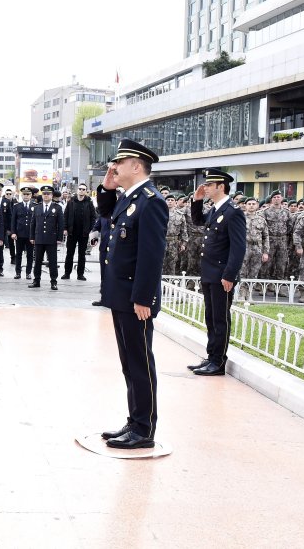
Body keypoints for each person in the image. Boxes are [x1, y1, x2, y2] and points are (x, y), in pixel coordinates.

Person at [95, 139, 168, 449]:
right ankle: (134, 420)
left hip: (135, 298)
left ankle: (144, 429)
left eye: (120, 163)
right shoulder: (130, 197)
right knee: (129, 362)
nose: (114, 167)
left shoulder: (151, 201)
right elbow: (106, 214)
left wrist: (143, 298)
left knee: (140, 362)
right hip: (121, 294)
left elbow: (151, 255)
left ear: (137, 166)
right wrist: (107, 188)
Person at [187, 168, 246, 377]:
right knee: (211, 318)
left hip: (222, 276)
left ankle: (218, 361)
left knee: (220, 319)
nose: (206, 188)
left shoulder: (233, 211)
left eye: (210, 185)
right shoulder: (215, 209)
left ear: (221, 187)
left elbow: (238, 248)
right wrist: (196, 201)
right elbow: (197, 220)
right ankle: (211, 356)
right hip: (209, 273)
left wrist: (229, 275)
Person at [29, 186, 65, 290]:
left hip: (51, 239)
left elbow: (61, 224)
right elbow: (33, 223)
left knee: (53, 262)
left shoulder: (57, 208)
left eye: (48, 194)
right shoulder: (37, 207)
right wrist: (32, 236)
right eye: (44, 193)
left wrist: (59, 238)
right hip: (39, 238)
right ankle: (36, 280)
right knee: (38, 261)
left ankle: (53, 281)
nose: (46, 195)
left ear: (52, 195)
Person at [62, 183, 97, 281]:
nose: (81, 191)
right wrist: (65, 228)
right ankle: (67, 273)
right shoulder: (71, 201)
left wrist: (90, 229)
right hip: (72, 232)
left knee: (82, 255)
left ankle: (80, 274)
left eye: (83, 189)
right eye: (80, 189)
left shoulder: (89, 202)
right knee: (70, 253)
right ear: (77, 190)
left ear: (86, 191)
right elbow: (65, 215)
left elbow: (93, 217)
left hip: (84, 233)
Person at [238, 196, 269, 301]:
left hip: (257, 248)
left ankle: (249, 293)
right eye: (249, 204)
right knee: (242, 270)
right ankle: (242, 293)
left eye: (253, 204)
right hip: (244, 246)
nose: (251, 206)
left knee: (254, 271)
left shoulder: (261, 220)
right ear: (245, 206)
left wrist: (265, 252)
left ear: (257, 206)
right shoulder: (240, 218)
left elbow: (266, 237)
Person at [261, 190, 292, 295]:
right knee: (267, 265)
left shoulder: (287, 212)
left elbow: (290, 226)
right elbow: (263, 228)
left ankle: (278, 289)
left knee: (281, 265)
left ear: (281, 199)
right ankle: (264, 287)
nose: (276, 199)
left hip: (282, 241)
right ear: (271, 199)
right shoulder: (265, 212)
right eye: (274, 197)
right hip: (270, 240)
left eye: (278, 197)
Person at [10, 187, 35, 280]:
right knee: (19, 254)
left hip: (30, 235)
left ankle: (28, 273)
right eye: (24, 194)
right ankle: (18, 272)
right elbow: (13, 221)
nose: (26, 196)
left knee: (30, 255)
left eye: (28, 194)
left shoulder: (35, 206)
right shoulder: (17, 206)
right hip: (19, 234)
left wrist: (35, 234)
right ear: (21, 195)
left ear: (31, 195)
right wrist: (13, 232)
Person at [162, 193, 188, 276]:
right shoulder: (160, 213)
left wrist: (183, 244)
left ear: (175, 202)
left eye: (172, 200)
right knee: (161, 264)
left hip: (174, 242)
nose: (170, 202)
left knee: (172, 264)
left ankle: (171, 285)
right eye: (168, 200)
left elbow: (184, 230)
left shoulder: (180, 215)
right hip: (162, 241)